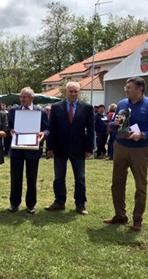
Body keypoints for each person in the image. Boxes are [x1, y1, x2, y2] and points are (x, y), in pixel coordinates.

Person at [104, 77, 148, 232]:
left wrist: (142, 134)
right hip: (120, 146)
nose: (126, 90)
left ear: (140, 89)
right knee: (117, 183)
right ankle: (120, 215)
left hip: (140, 150)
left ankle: (137, 219)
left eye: (129, 87)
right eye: (126, 87)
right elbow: (113, 125)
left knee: (140, 186)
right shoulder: (121, 104)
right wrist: (114, 123)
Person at [45, 81, 94, 215]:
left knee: (80, 178)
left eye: (75, 91)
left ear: (79, 92)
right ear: (65, 92)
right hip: (60, 148)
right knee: (59, 177)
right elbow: (51, 129)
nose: (73, 94)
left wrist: (89, 148)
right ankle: (59, 201)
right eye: (70, 91)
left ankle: (80, 204)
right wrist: (49, 147)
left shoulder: (87, 108)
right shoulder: (56, 107)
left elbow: (90, 130)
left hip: (79, 148)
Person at [7, 87, 49, 214]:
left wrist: (43, 134)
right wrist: (10, 131)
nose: (22, 99)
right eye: (21, 97)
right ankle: (14, 203)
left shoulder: (40, 112)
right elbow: (8, 126)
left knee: (31, 178)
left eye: (25, 97)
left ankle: (30, 204)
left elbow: (47, 129)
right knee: (15, 177)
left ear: (32, 98)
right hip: (17, 149)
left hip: (32, 149)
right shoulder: (14, 111)